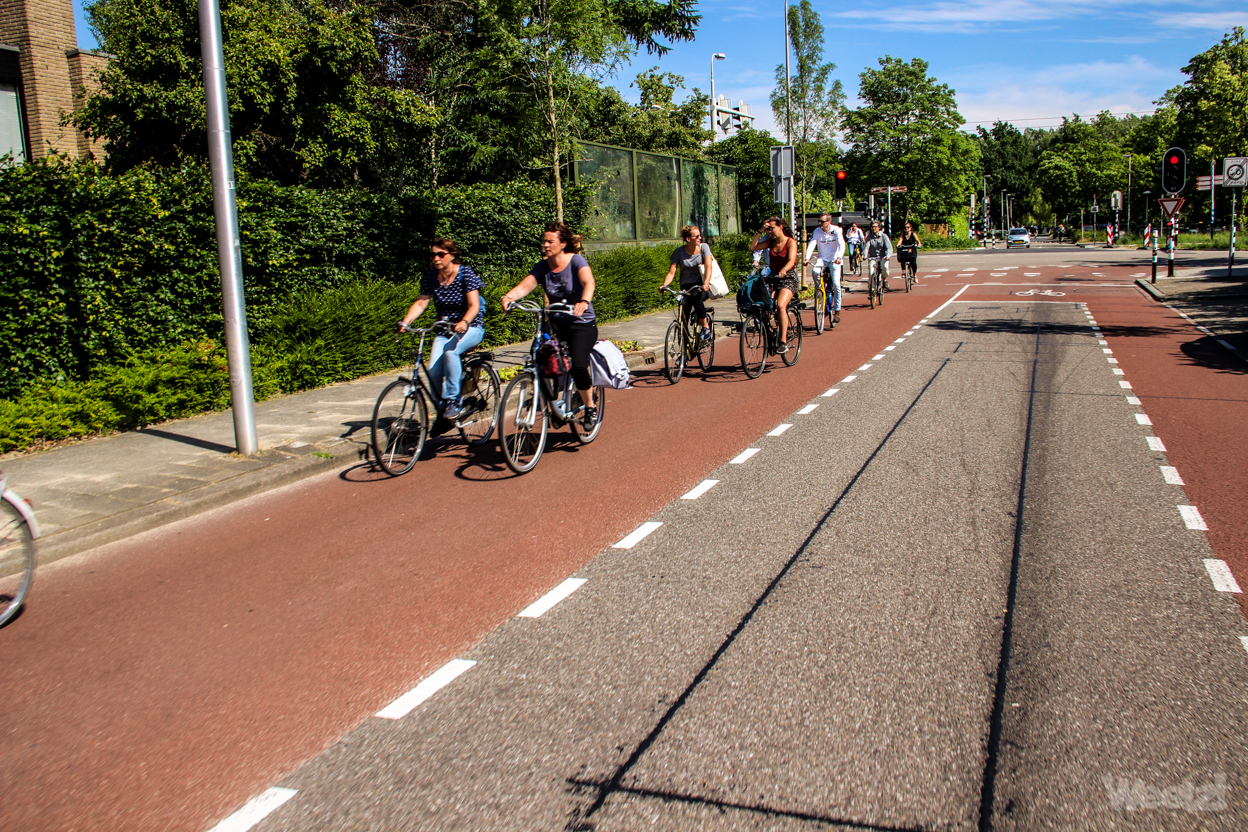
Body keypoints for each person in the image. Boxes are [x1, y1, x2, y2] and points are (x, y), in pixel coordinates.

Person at [501, 222, 599, 427]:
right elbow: (524, 287)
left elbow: (588, 282)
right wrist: (509, 297)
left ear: (562, 243)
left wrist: (584, 301)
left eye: (549, 241)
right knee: (541, 362)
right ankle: (554, 406)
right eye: (543, 241)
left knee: (578, 365)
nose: (545, 245)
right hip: (556, 323)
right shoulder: (542, 267)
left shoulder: (575, 261)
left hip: (581, 322)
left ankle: (590, 407)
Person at [398, 238, 485, 420]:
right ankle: (444, 410)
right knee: (433, 373)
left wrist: (464, 322)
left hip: (471, 327)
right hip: (445, 330)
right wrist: (406, 322)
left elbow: (474, 305)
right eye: (433, 255)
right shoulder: (431, 276)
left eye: (440, 254)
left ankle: (454, 401)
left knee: (450, 351)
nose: (436, 258)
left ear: (452, 255)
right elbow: (422, 302)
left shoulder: (465, 274)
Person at [749, 215, 798, 352]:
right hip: (773, 276)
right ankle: (769, 332)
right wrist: (760, 230)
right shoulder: (770, 242)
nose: (769, 232)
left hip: (788, 277)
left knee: (780, 305)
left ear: (780, 227)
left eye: (771, 228)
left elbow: (791, 260)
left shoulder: (790, 242)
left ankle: (782, 341)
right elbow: (754, 247)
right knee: (763, 304)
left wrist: (784, 269)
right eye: (767, 229)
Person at [661, 225, 715, 341]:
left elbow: (709, 267)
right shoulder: (678, 252)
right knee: (683, 312)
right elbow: (671, 272)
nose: (700, 238)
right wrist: (665, 285)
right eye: (697, 236)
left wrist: (706, 284)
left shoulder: (704, 247)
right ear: (688, 239)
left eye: (700, 235)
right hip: (686, 287)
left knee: (696, 296)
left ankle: (705, 326)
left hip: (701, 286)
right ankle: (684, 348)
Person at [804, 213, 844, 325]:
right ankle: (819, 290)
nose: (820, 223)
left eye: (822, 221)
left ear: (829, 222)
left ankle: (837, 310)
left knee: (836, 284)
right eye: (819, 221)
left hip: (834, 259)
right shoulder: (817, 231)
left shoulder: (836, 230)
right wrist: (807, 258)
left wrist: (839, 257)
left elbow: (841, 244)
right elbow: (812, 243)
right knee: (815, 271)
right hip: (822, 259)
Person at [863, 220, 893, 290]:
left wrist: (888, 256)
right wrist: (865, 255)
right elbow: (867, 247)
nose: (873, 228)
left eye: (875, 227)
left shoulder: (884, 236)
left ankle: (884, 279)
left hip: (883, 257)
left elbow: (889, 248)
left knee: (885, 268)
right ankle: (872, 288)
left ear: (879, 227)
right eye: (872, 227)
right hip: (873, 258)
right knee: (871, 272)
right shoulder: (869, 237)